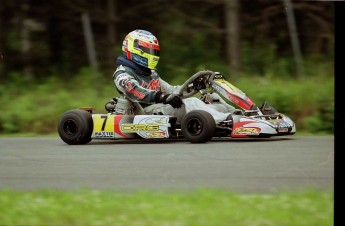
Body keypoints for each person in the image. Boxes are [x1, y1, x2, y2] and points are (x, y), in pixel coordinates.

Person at [112, 29, 239, 124]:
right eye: (149, 51)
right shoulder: (122, 74)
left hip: (162, 108)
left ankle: (239, 115)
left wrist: (192, 87)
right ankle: (227, 121)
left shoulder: (150, 72)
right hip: (147, 113)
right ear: (134, 50)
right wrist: (163, 97)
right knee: (192, 102)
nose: (152, 55)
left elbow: (171, 91)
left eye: (154, 52)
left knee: (213, 97)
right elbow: (135, 91)